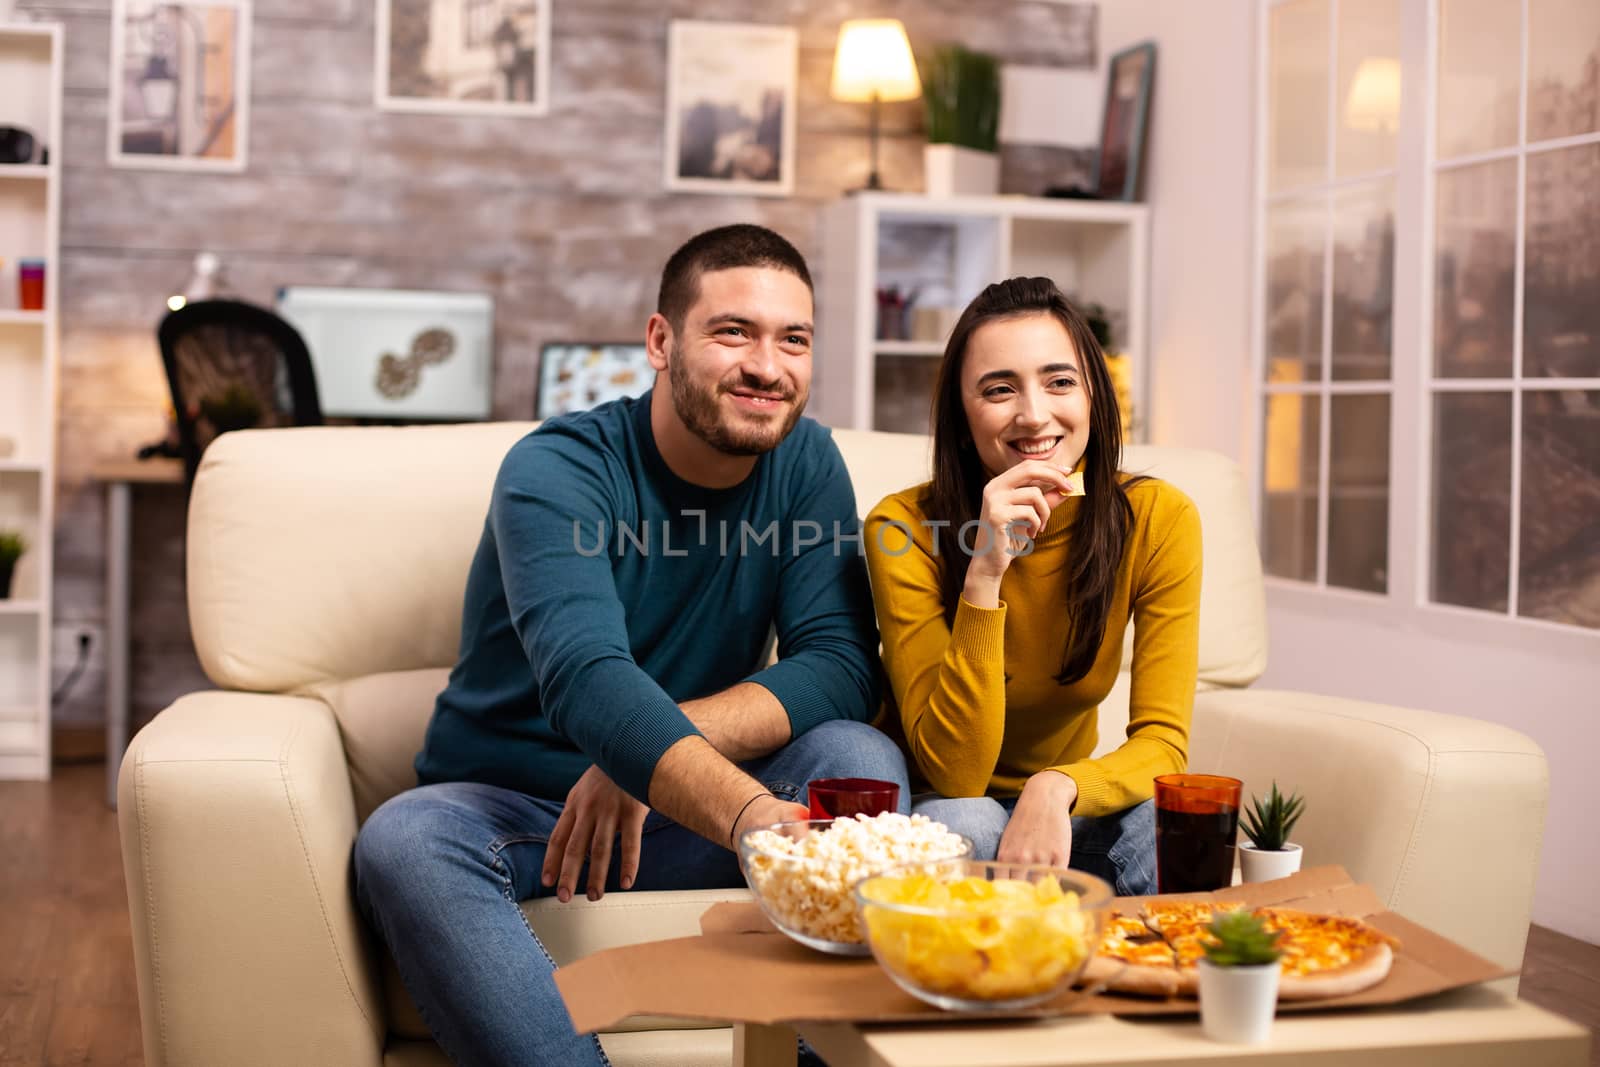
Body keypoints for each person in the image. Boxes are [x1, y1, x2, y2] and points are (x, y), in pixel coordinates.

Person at [354, 224, 908, 1066]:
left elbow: (839, 661)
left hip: (680, 814)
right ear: (660, 340)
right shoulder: (556, 469)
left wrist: (637, 760)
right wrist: (754, 815)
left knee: (856, 752)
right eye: (733, 331)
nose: (768, 365)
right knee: (404, 839)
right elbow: (587, 677)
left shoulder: (805, 459)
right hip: (523, 816)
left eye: (792, 339)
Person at [863, 276, 1201, 896]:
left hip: (1066, 810)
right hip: (947, 806)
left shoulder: (1160, 518)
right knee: (969, 820)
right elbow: (957, 773)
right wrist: (986, 571)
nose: (1035, 414)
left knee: (1166, 826)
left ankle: (1139, 985)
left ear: (1094, 395)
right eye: (999, 389)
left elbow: (1163, 744)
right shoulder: (902, 527)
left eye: (1059, 381)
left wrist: (1059, 786)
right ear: (964, 419)